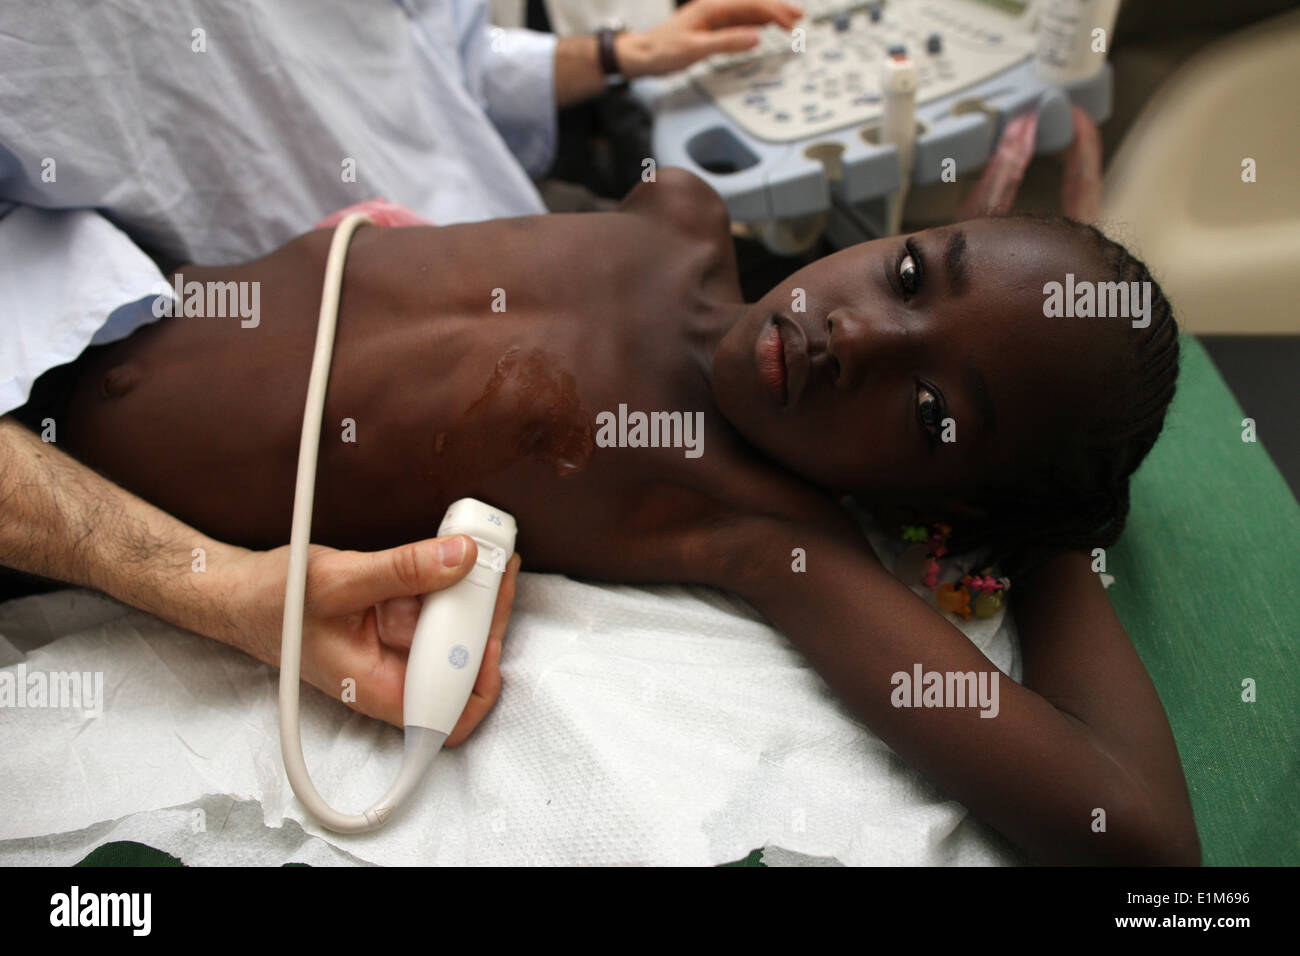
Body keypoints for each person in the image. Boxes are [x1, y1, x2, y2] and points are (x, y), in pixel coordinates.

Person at [35, 165, 1198, 865]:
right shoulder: (677, 213)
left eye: (934, 411)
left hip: (40, 499)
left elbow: (1136, 831)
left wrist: (1048, 529)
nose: (860, 338)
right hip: (64, 294)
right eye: (907, 277)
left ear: (942, 504)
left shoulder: (751, 522)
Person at [0, 0, 804, 738]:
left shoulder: (688, 241)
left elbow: (429, 55)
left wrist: (613, 53)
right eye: (912, 274)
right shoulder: (683, 215)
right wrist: (222, 590)